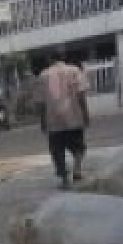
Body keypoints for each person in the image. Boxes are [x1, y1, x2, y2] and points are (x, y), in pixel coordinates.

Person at [38, 49, 90, 189]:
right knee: (79, 146)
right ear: (64, 57)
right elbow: (81, 95)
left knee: (57, 150)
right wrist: (85, 114)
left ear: (50, 60)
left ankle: (65, 180)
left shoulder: (43, 75)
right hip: (73, 116)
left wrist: (42, 121)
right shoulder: (74, 70)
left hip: (53, 120)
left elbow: (41, 102)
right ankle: (77, 170)